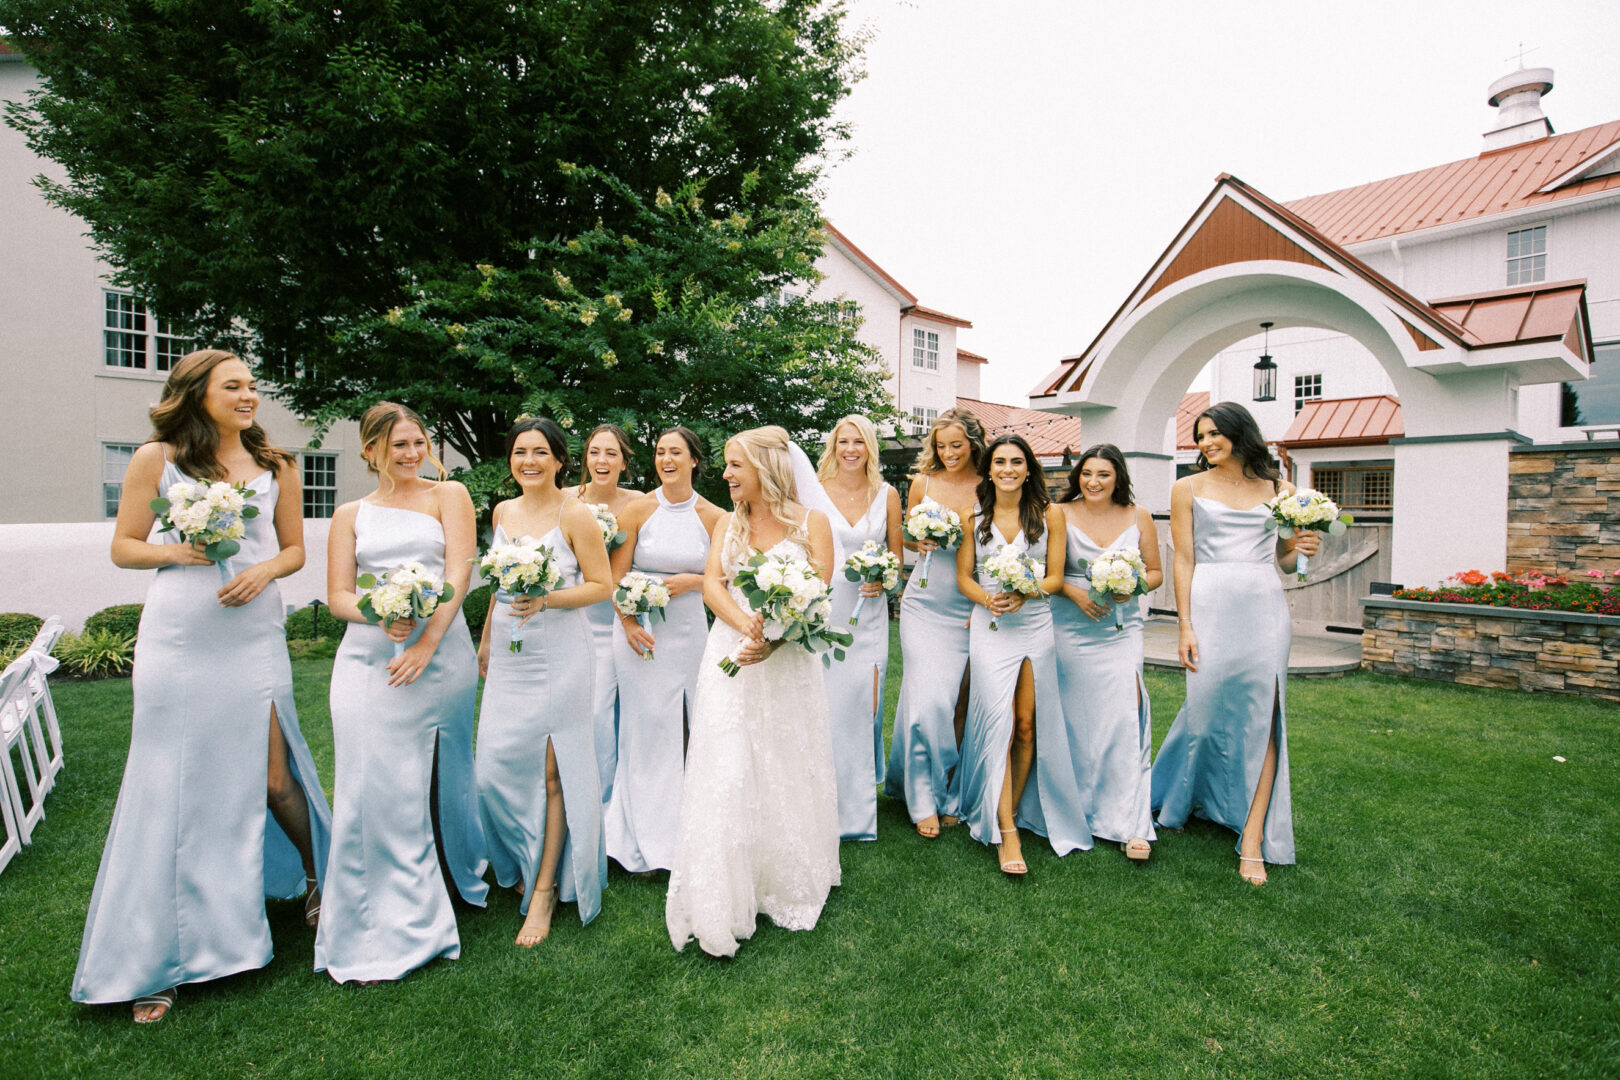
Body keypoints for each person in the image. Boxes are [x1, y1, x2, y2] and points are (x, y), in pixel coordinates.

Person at [72, 349, 332, 1023]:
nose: (249, 395)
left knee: (276, 777)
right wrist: (177, 549)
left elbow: (295, 548)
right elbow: (124, 545)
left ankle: (318, 879)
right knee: (171, 788)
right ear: (197, 393)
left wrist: (267, 571)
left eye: (252, 386)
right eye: (234, 386)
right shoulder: (155, 459)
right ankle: (155, 954)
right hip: (181, 635)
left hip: (251, 632)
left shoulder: (276, 466)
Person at [315, 402, 487, 983]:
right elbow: (338, 594)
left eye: (418, 442)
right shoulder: (349, 513)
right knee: (371, 784)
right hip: (367, 660)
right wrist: (375, 612)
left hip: (441, 655)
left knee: (445, 769)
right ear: (371, 452)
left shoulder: (450, 495)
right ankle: (376, 912)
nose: (412, 454)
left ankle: (452, 873)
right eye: (397, 447)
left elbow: (459, 576)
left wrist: (424, 643)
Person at [665, 426, 840, 957]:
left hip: (788, 665)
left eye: (735, 465)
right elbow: (714, 583)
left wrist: (777, 640)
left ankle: (785, 877)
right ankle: (724, 887)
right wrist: (748, 627)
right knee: (727, 763)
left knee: (784, 761)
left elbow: (820, 595)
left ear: (764, 466)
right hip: (730, 654)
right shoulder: (728, 522)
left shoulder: (813, 523)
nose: (725, 474)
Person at [1151, 402, 1319, 886]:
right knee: (1203, 717)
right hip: (1208, 604)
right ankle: (1185, 798)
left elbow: (1285, 563)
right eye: (1200, 437)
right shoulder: (1187, 488)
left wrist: (1303, 548)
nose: (1205, 444)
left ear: (1238, 433)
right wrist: (1184, 625)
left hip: (1263, 608)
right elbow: (1183, 560)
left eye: (1213, 434)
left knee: (1264, 718)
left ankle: (1251, 838)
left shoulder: (1280, 490)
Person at [476, 418, 612, 946]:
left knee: (554, 773)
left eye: (539, 453)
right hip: (511, 653)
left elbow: (602, 586)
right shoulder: (503, 511)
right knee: (492, 767)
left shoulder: (573, 514)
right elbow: (497, 582)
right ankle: (523, 859)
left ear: (559, 460)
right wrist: (487, 637)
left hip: (561, 654)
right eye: (519, 453)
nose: (528, 461)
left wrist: (548, 599)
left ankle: (544, 891)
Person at [955, 434, 1091, 875]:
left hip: (1035, 624)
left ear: (1028, 469)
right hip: (991, 626)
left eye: (1016, 462)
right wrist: (987, 599)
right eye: (1000, 462)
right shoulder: (972, 516)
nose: (1008, 469)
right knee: (999, 724)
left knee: (1028, 726)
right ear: (989, 470)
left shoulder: (1050, 514)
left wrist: (1026, 591)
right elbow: (965, 577)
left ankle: (1003, 808)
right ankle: (1008, 832)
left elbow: (1054, 578)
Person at [604, 427, 725, 874]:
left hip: (689, 632)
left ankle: (686, 831)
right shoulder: (637, 510)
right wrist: (630, 624)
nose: (666, 459)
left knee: (690, 727)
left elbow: (724, 578)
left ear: (695, 460)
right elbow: (614, 578)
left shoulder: (715, 516)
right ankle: (637, 835)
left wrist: (694, 582)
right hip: (640, 635)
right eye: (660, 452)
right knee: (645, 729)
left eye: (676, 452)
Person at [1052, 445, 1163, 861]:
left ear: (1118, 478)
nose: (1093, 482)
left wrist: (1130, 586)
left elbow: (1155, 572)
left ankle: (1129, 822)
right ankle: (1074, 810)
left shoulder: (1139, 516)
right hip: (1070, 625)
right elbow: (1051, 572)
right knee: (1074, 719)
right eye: (1087, 474)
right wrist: (1077, 595)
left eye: (1103, 474)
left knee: (1122, 716)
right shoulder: (1059, 514)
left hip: (1120, 627)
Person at [884, 408, 986, 838]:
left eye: (956, 446)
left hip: (970, 603)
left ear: (974, 445)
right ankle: (922, 797)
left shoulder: (990, 484)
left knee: (959, 704)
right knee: (929, 701)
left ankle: (949, 788)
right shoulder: (922, 483)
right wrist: (917, 539)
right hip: (924, 603)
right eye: (941, 446)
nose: (947, 454)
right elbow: (905, 535)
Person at [815, 414, 902, 841]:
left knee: (864, 704)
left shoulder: (887, 495)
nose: (850, 449)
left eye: (859, 442)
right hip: (826, 609)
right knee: (827, 705)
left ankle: (858, 806)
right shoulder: (814, 493)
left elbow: (899, 560)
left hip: (867, 613)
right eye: (843, 442)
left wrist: (884, 577)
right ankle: (822, 801)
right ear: (833, 447)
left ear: (870, 448)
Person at [572, 423, 644, 809]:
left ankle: (623, 806)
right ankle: (592, 803)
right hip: (578, 619)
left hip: (624, 620)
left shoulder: (640, 502)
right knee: (595, 715)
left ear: (623, 461)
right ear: (586, 458)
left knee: (631, 716)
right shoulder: (565, 501)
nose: (602, 460)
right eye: (595, 452)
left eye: (611, 453)